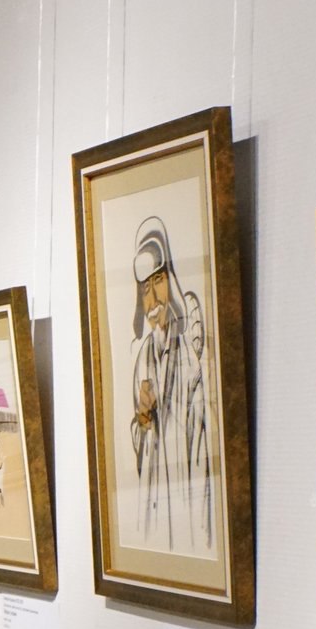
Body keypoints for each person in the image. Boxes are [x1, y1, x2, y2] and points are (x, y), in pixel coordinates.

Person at [127, 215, 212, 553]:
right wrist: (143, 418)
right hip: (154, 510)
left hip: (186, 505)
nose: (152, 299)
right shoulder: (142, 361)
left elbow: (203, 440)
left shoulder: (189, 354)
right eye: (144, 289)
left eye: (158, 281)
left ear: (170, 280)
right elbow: (140, 438)